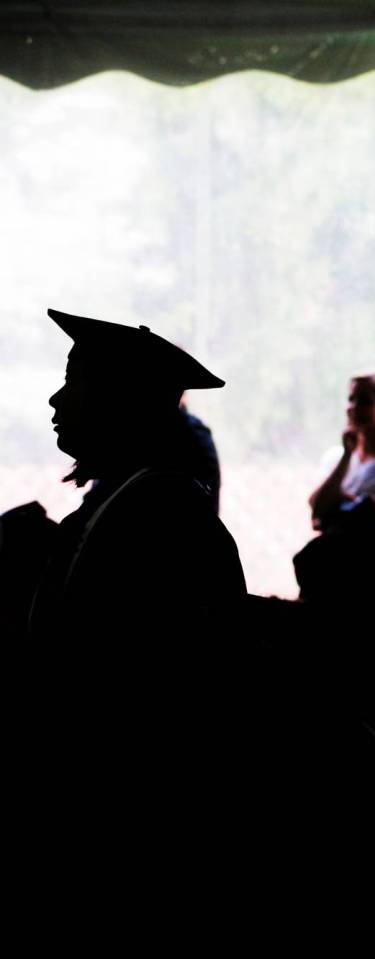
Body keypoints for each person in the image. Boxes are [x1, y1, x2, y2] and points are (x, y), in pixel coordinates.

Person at [21, 310, 258, 921]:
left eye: (74, 381)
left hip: (127, 830)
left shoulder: (160, 518)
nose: (56, 396)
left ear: (116, 401)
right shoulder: (132, 505)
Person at [298, 373, 375, 602]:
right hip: (331, 573)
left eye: (365, 401)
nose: (355, 407)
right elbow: (317, 512)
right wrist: (347, 455)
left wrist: (345, 507)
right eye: (351, 399)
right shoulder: (336, 457)